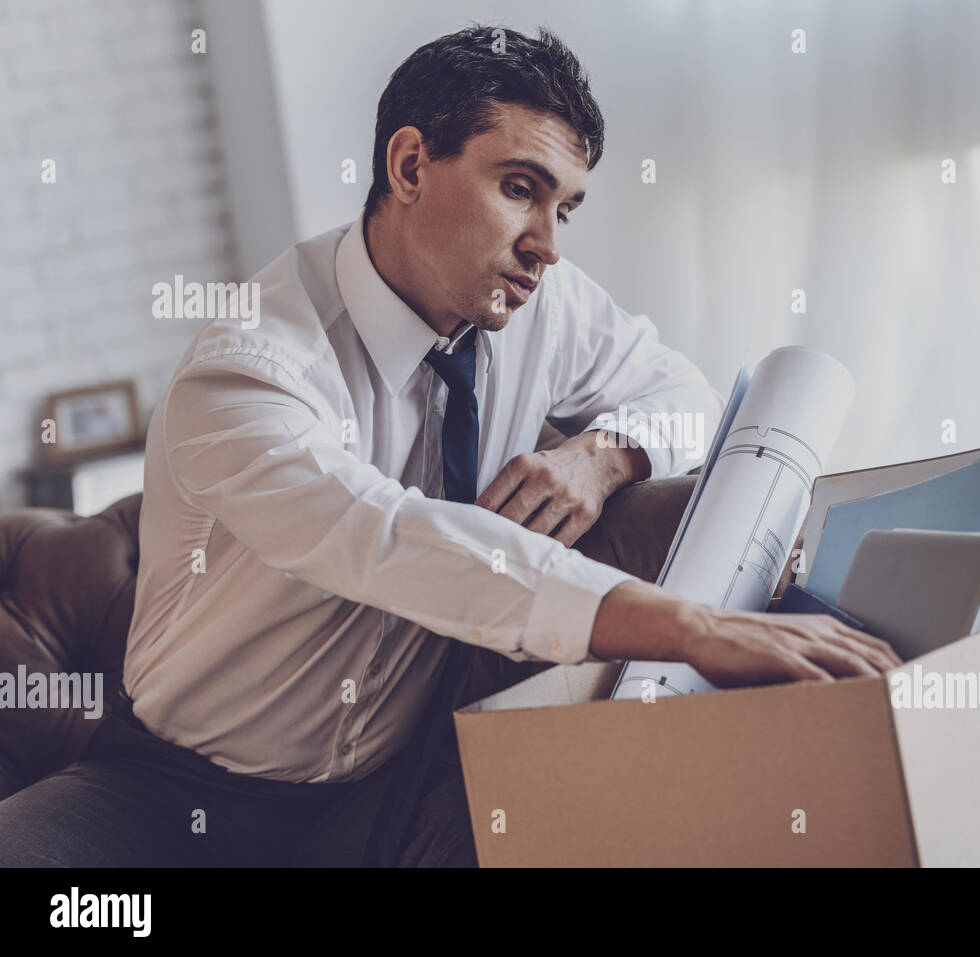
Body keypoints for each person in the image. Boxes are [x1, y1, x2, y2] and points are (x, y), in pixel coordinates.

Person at [0, 24, 899, 868]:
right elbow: (388, 538)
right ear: (409, 164)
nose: (546, 246)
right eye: (519, 189)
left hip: (400, 777)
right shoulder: (249, 367)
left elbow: (686, 395)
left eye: (566, 209)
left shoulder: (544, 303)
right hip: (177, 791)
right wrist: (697, 629)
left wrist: (606, 453)